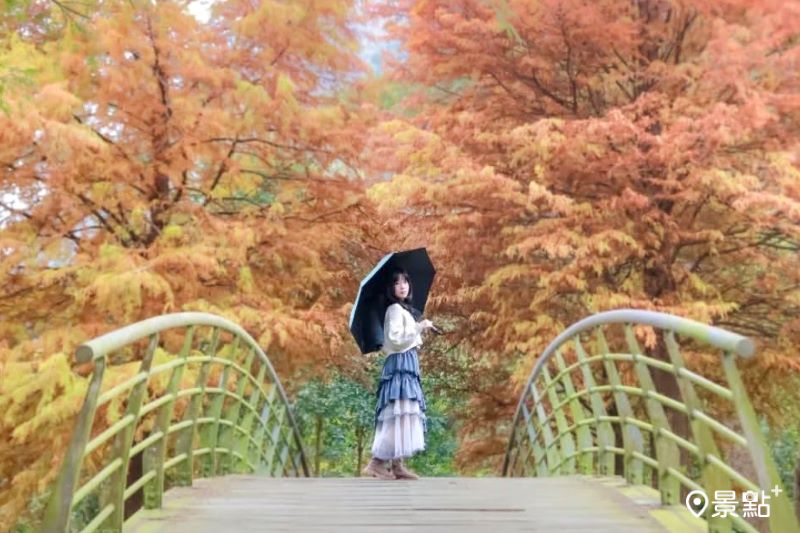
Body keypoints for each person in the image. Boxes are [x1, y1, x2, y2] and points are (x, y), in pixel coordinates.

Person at [361, 269, 435, 480]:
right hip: (399, 365)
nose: (403, 285)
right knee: (399, 412)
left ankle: (397, 465)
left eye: (405, 281)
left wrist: (420, 327)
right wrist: (419, 327)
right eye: (397, 282)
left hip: (408, 364)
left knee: (405, 412)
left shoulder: (404, 310)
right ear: (391, 288)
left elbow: (408, 339)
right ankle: (376, 463)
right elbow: (394, 340)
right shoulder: (394, 309)